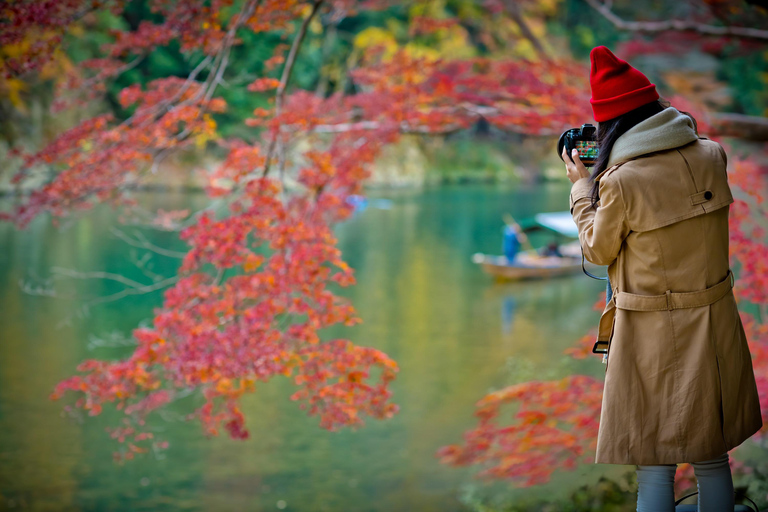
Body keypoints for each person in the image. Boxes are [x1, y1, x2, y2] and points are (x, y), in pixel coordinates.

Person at [562, 45, 763, 512]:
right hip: (714, 323)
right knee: (712, 457)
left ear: (613, 125)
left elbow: (597, 249)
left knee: (655, 462)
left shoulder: (619, 181)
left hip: (651, 332)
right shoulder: (713, 155)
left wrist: (580, 186)